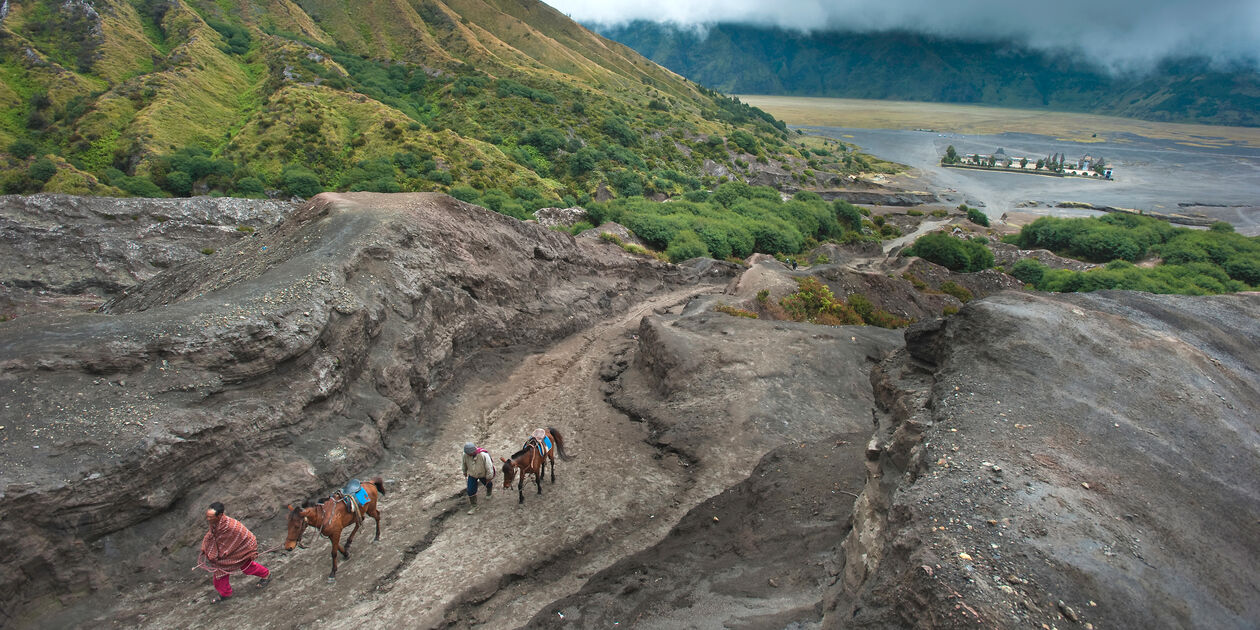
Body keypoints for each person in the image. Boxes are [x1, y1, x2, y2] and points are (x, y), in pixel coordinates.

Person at [198, 502, 270, 603]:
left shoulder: (232, 526)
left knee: (247, 568)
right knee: (220, 572)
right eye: (207, 516)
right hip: (228, 552)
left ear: (219, 515)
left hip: (242, 549)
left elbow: (246, 537)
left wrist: (248, 551)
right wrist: (206, 546)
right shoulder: (215, 524)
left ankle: (266, 574)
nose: (208, 519)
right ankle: (225, 593)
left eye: (210, 517)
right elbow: (212, 536)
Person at [461, 442, 494, 514]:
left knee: (488, 484)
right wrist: (464, 471)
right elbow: (464, 463)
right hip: (472, 474)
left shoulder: (483, 455)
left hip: (483, 474)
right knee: (470, 490)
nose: (468, 455)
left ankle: (489, 492)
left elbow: (489, 466)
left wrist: (489, 477)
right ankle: (474, 506)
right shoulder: (465, 455)